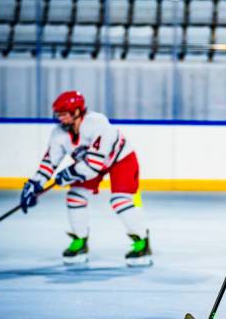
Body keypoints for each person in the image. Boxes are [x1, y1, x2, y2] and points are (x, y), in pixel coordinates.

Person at [20, 91, 153, 266]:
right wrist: (35, 184)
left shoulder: (98, 123)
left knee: (120, 201)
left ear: (77, 112)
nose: (60, 119)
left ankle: (142, 243)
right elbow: (49, 162)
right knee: (75, 197)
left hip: (120, 159)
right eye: (58, 114)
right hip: (87, 165)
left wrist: (66, 175)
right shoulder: (58, 134)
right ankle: (80, 241)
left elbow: (93, 167)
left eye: (64, 114)